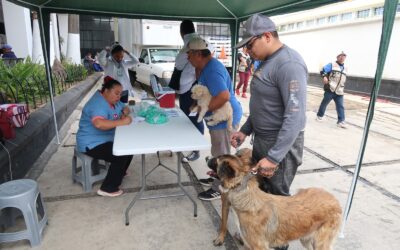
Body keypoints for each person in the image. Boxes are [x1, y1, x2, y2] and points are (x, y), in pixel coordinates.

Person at [230, 14, 307, 250]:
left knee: (278, 200)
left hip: (280, 145)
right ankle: (259, 239)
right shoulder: (267, 61)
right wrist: (245, 130)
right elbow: (265, 106)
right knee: (261, 195)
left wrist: (274, 157)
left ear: (266, 36)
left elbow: (294, 117)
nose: (247, 50)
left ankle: (278, 245)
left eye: (250, 44)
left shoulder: (289, 64)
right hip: (263, 139)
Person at [186, 36, 243, 201]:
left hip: (224, 118)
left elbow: (223, 96)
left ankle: (220, 188)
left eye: (189, 54)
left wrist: (204, 110)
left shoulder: (212, 70)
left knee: (222, 155)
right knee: (217, 153)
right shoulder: (206, 67)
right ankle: (217, 179)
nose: (187, 57)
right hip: (218, 118)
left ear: (198, 54)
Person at [76, 76, 133, 197]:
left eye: (120, 94)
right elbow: (99, 123)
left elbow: (124, 107)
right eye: (116, 93)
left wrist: (124, 112)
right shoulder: (98, 103)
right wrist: (122, 122)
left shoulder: (113, 101)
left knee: (129, 146)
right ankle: (108, 188)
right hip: (91, 143)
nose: (118, 96)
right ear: (106, 91)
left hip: (105, 138)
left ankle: (119, 172)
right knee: (120, 154)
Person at [174, 20, 204, 163]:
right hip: (190, 88)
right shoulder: (201, 41)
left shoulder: (189, 44)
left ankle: (196, 149)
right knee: (190, 116)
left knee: (194, 116)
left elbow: (179, 63)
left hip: (191, 89)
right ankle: (191, 144)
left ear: (182, 32)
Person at [316, 52, 348, 128]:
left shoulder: (345, 68)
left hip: (340, 91)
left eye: (344, 56)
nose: (342, 58)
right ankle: (319, 116)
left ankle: (341, 121)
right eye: (340, 56)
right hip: (330, 89)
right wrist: (324, 77)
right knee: (324, 103)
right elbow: (322, 70)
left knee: (340, 106)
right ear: (337, 57)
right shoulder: (332, 65)